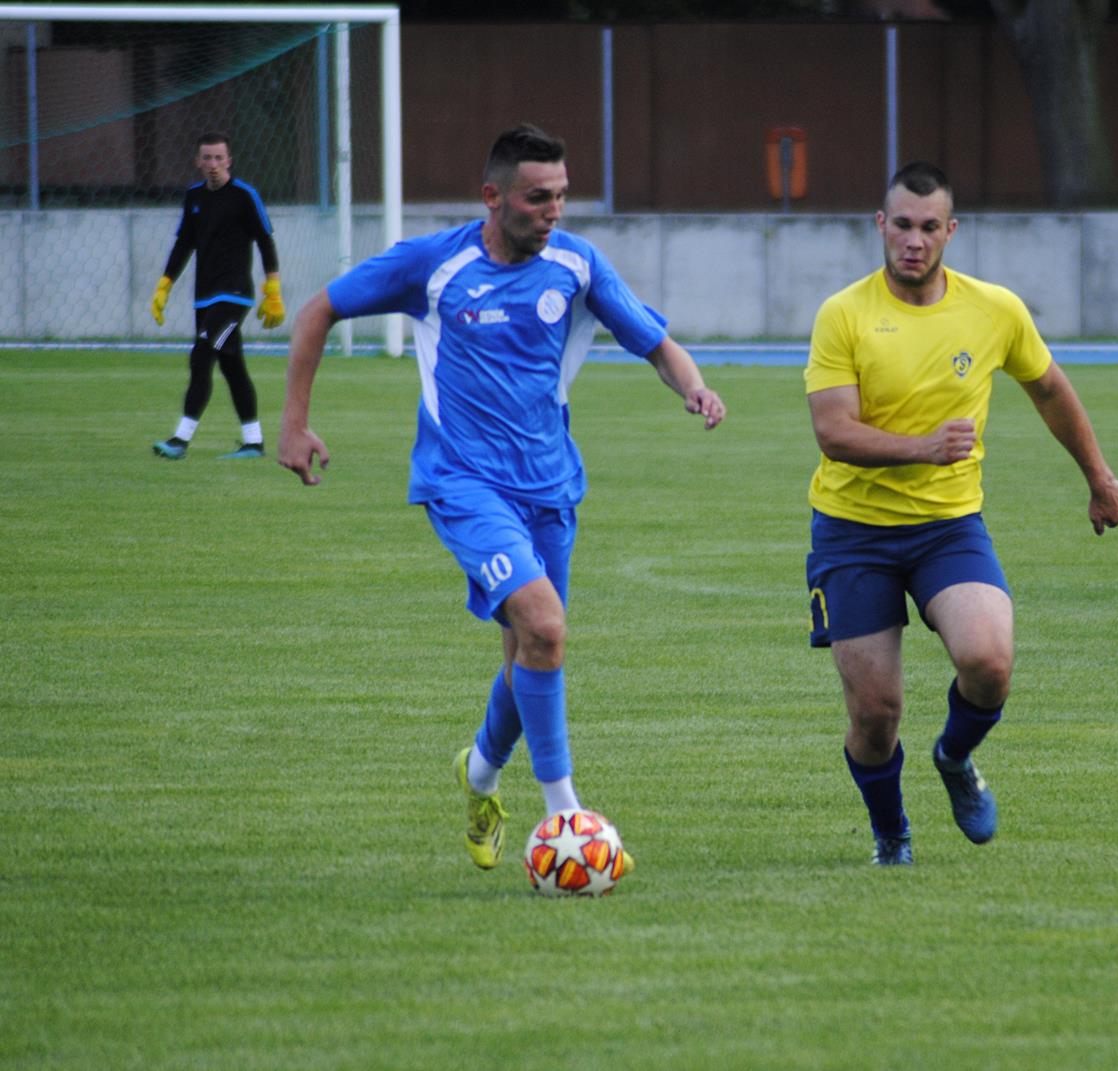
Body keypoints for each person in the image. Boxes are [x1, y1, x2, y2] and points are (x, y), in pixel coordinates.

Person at [278, 124, 726, 873]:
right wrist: (292, 425)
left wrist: (695, 386)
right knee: (546, 628)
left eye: (561, 195)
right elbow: (317, 310)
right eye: (537, 197)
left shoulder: (576, 265)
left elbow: (653, 340)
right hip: (462, 482)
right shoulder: (435, 264)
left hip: (551, 487)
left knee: (529, 653)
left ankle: (479, 775)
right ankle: (566, 818)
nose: (554, 210)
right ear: (492, 197)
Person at [804, 162, 1118, 866]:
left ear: (951, 231)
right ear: (879, 226)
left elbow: (1049, 388)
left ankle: (954, 758)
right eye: (901, 225)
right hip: (853, 532)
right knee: (874, 712)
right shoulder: (844, 314)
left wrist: (1099, 478)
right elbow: (833, 431)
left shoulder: (994, 309)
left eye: (929, 227)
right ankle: (891, 834)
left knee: (988, 661)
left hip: (948, 526)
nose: (913, 241)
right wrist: (925, 446)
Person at [150, 132, 284, 460]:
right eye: (206, 158)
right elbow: (184, 243)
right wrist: (165, 284)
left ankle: (180, 440)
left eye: (218, 158)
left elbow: (265, 241)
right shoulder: (194, 196)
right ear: (198, 162)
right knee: (232, 366)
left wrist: (273, 288)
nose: (213, 164)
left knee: (201, 355)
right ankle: (254, 443)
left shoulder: (244, 195)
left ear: (229, 161)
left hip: (234, 296)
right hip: (204, 298)